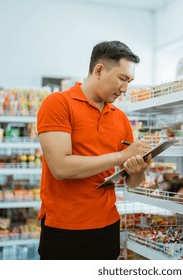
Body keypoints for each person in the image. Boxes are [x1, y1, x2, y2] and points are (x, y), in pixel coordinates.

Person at [36, 41, 152, 260]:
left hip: (107, 227)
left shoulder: (120, 117)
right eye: (122, 79)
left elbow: (132, 182)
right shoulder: (58, 104)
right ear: (99, 70)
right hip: (64, 230)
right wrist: (121, 156)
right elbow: (61, 167)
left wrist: (138, 168)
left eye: (129, 81)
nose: (125, 89)